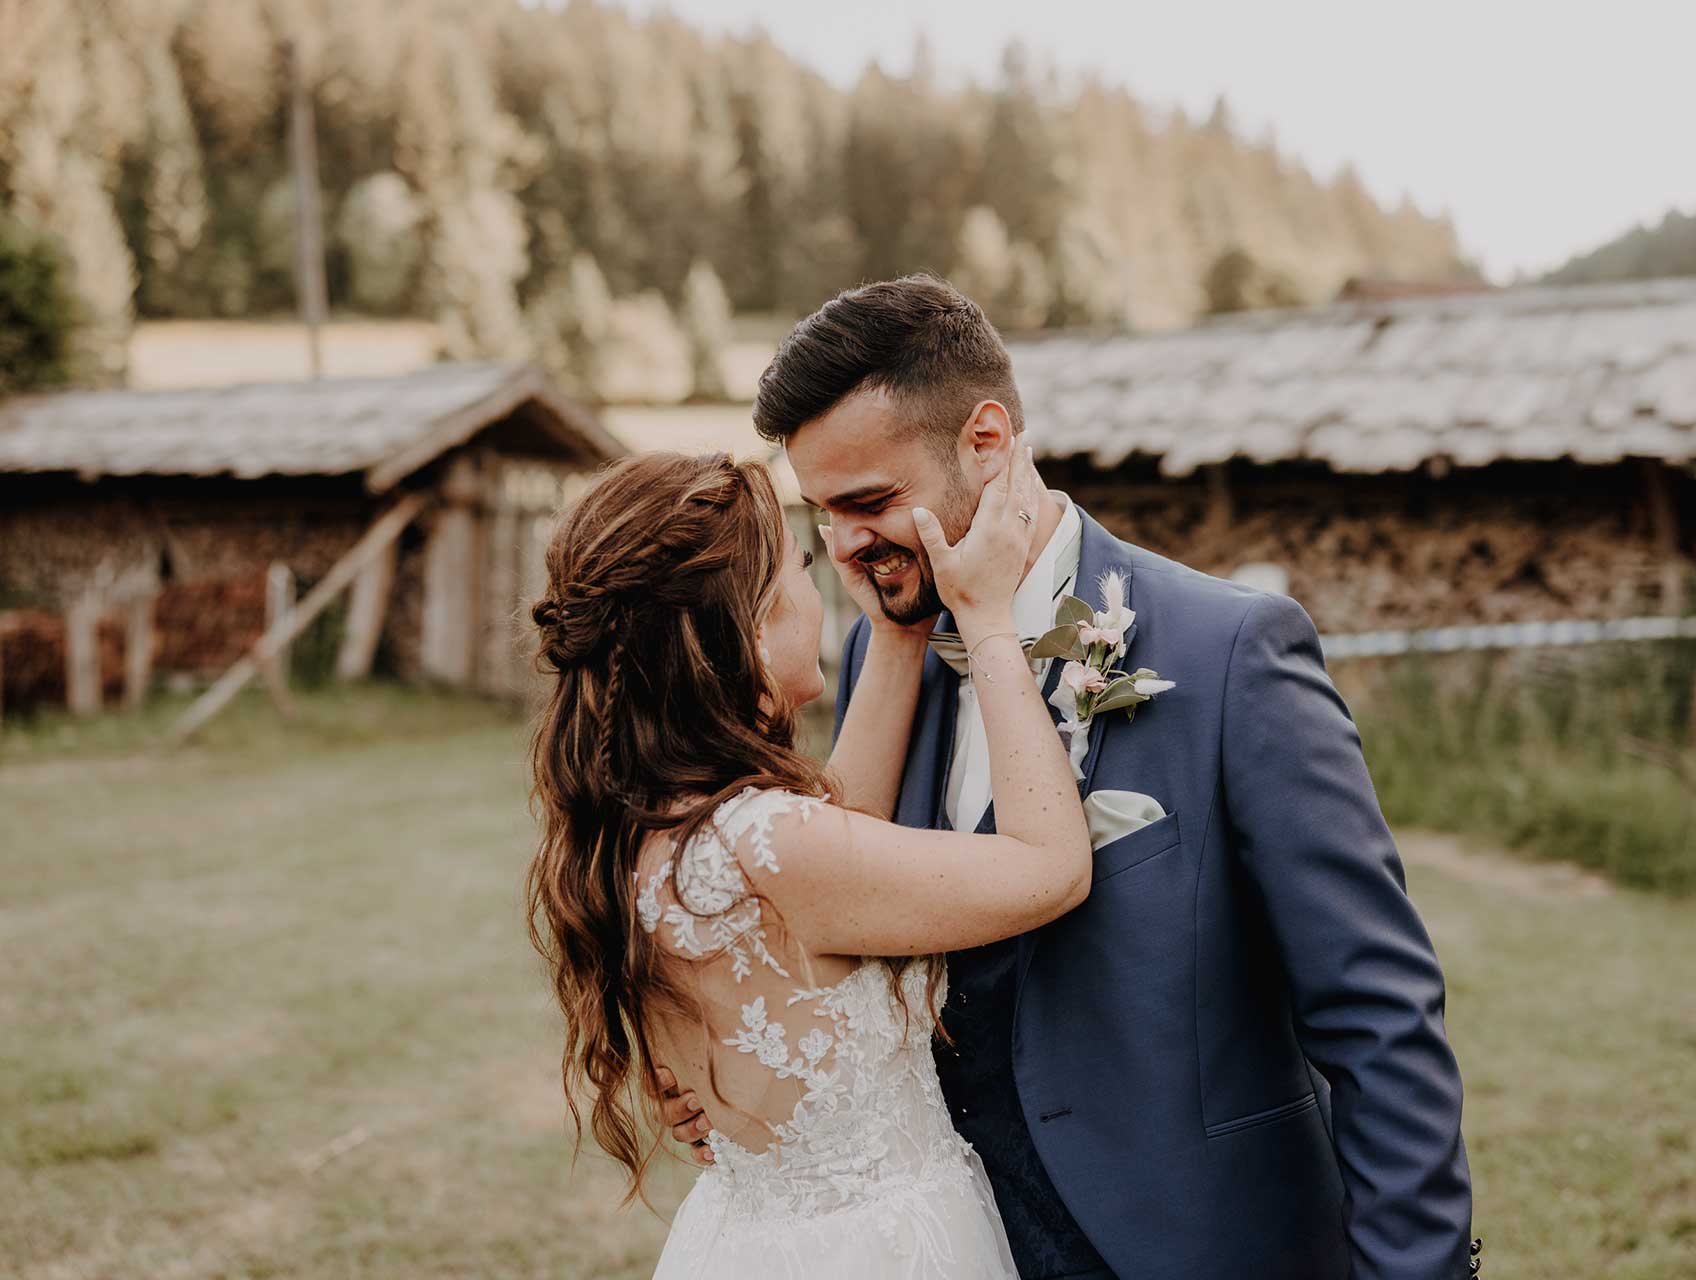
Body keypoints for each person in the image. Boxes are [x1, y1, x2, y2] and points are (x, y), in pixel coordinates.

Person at [662, 276, 1480, 1279]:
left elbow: (1376, 1011)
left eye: (871, 502)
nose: (845, 548)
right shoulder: (886, 656)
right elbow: (827, 923)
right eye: (822, 513)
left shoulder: (1229, 652)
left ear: (988, 441)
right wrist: (737, 1086)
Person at [526, 443, 1085, 1278]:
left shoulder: (651, 828)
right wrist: (990, 618)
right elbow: (1051, 865)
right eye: (797, 565)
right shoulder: (769, 844)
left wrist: (899, 634)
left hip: (756, 1236)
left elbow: (841, 853)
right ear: (747, 627)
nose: (820, 583)